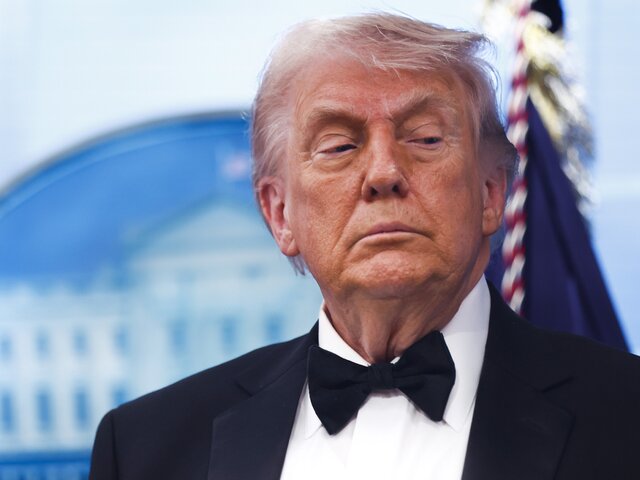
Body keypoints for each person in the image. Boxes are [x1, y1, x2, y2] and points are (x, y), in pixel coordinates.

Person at [89, 13, 640, 480]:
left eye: (425, 138)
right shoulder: (144, 451)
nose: (383, 173)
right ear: (279, 214)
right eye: (338, 145)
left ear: (492, 192)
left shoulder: (626, 417)